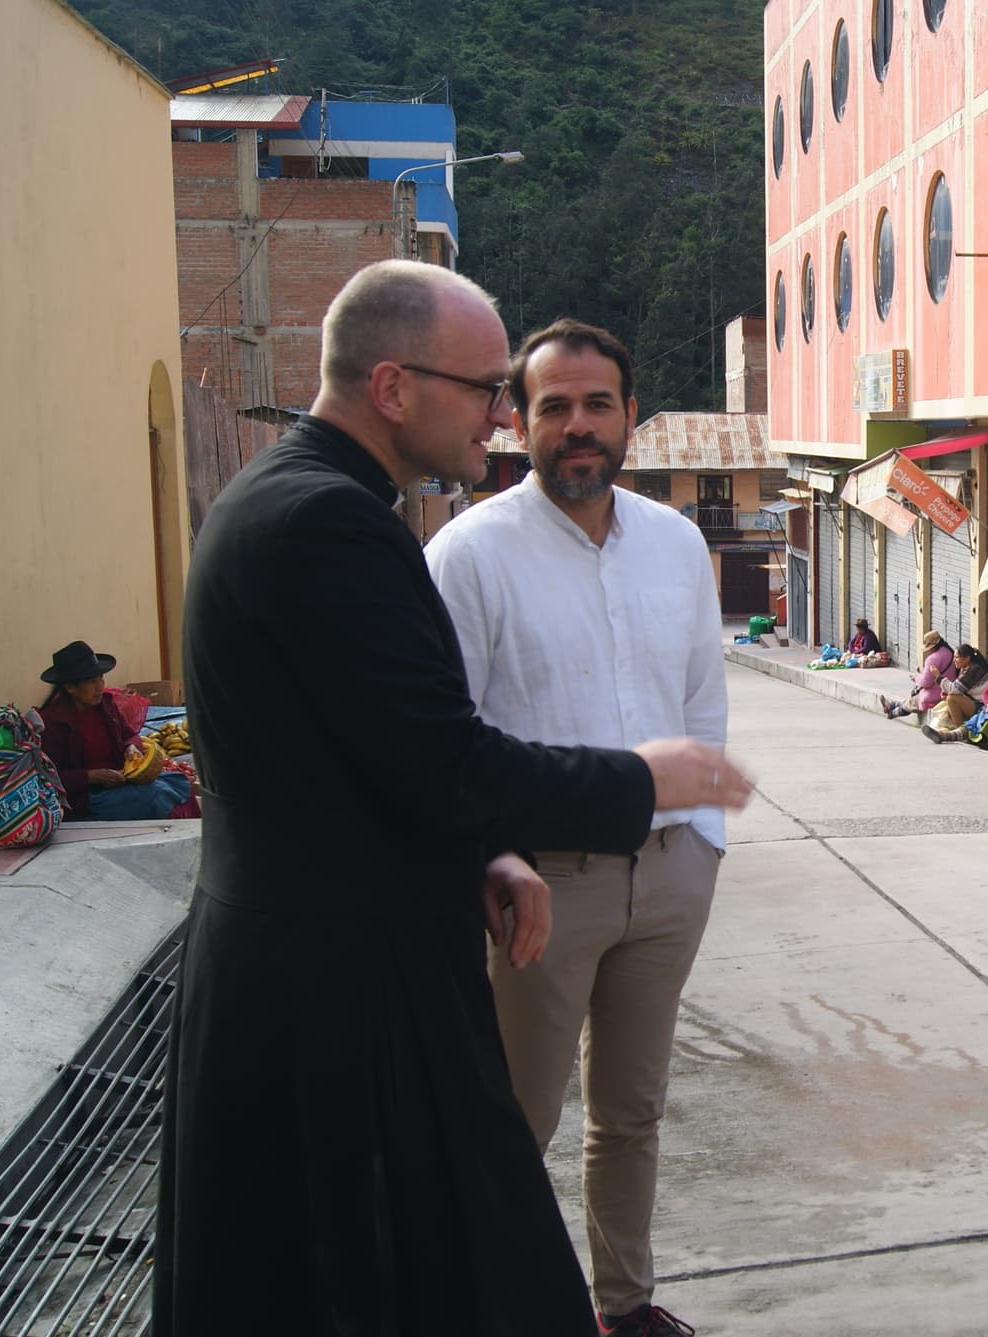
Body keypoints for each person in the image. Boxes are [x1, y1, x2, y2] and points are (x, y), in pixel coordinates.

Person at [157, 259, 752, 1337]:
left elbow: (372, 758)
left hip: (335, 957)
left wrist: (485, 855)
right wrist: (639, 778)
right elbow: (452, 761)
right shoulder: (332, 527)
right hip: (329, 986)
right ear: (392, 387)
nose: (499, 414)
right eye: (490, 389)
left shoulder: (314, 502)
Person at [425, 318, 726, 1337]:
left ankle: (621, 1304)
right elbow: (443, 735)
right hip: (541, 888)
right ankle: (500, 1306)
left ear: (630, 416)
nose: (577, 426)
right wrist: (488, 859)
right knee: (518, 1123)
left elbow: (701, 697)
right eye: (553, 405)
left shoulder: (678, 543)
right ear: (518, 418)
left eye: (597, 403)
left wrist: (704, 849)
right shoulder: (468, 555)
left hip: (669, 876)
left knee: (632, 1110)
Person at [34, 640, 192, 820]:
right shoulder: (53, 724)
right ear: (70, 687)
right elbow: (48, 778)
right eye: (92, 682)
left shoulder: (105, 707)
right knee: (157, 795)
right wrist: (92, 777)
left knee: (179, 783)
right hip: (85, 800)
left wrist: (131, 747)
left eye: (101, 678)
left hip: (119, 781)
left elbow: (129, 734)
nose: (100, 687)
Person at [920, 643, 988, 742]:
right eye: (954, 657)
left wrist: (938, 676)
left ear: (967, 658)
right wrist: (946, 692)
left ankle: (960, 731)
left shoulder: (975, 669)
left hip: (982, 706)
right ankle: (951, 731)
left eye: (957, 657)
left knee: (951, 698)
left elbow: (954, 689)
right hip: (973, 702)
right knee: (948, 699)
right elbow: (958, 688)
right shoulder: (965, 669)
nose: (954, 660)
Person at [878, 629, 952, 721]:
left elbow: (926, 682)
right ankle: (891, 706)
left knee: (914, 701)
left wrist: (916, 678)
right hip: (946, 690)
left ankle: (891, 713)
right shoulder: (949, 652)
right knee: (911, 699)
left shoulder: (934, 658)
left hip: (937, 694)